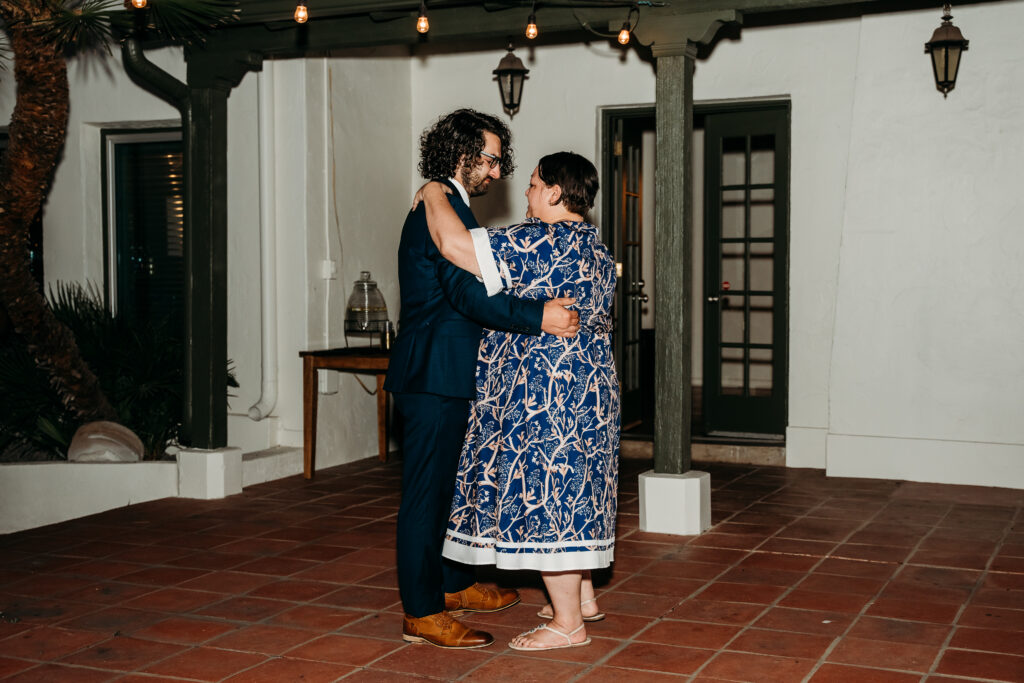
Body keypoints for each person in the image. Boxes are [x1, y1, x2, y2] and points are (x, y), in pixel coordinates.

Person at [383, 110, 580, 650]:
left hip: (448, 372)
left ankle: (453, 583)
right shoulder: (439, 206)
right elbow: (469, 295)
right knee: (426, 495)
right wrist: (539, 316)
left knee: (450, 490)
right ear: (460, 153)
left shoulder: (450, 205)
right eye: (490, 159)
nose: (496, 172)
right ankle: (421, 612)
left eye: (499, 161)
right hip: (433, 372)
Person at [415, 151, 620, 651]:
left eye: (532, 185)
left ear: (554, 192)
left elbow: (453, 243)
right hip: (593, 387)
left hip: (547, 392)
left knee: (551, 494)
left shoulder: (541, 239)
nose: (525, 195)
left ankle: (568, 624)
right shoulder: (596, 248)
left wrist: (434, 193)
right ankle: (582, 596)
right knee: (579, 487)